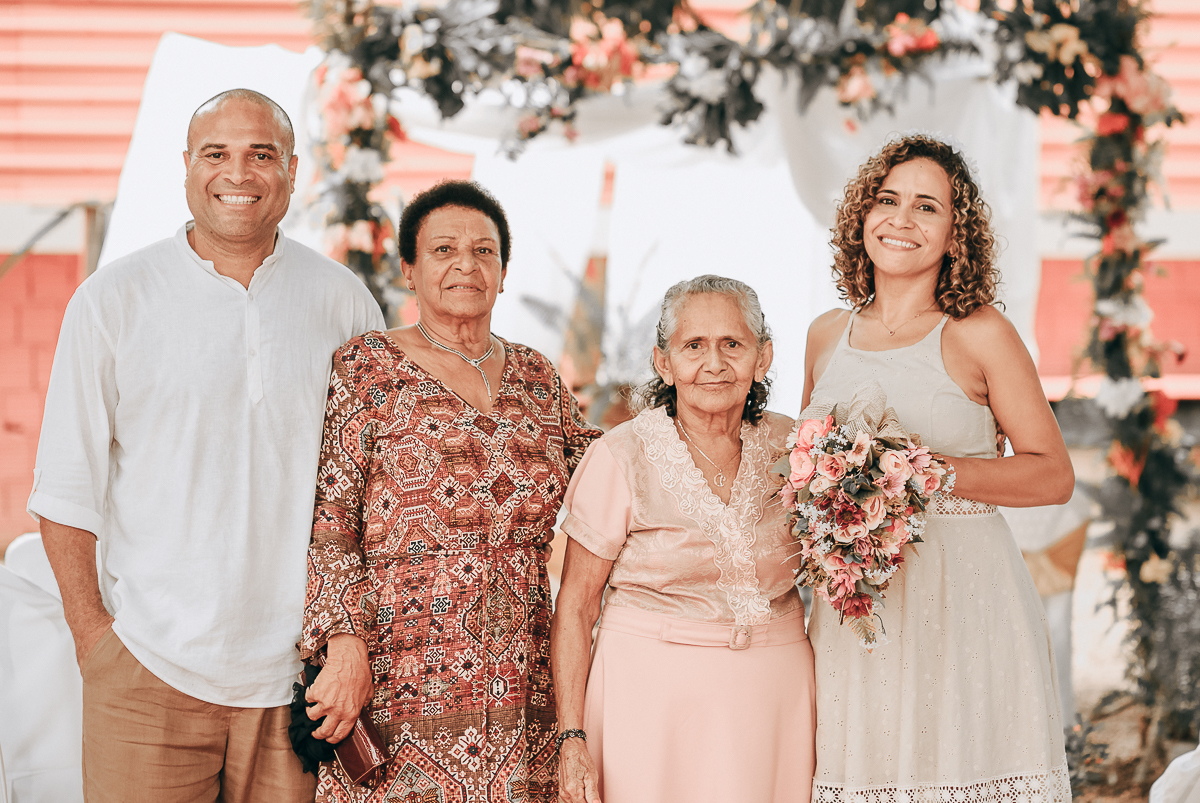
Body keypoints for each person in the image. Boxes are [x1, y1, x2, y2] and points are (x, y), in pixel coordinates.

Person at [28, 88, 384, 802]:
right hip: (148, 671)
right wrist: (96, 643)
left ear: (291, 169)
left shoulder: (343, 303)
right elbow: (67, 491)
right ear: (187, 166)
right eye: (217, 154)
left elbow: (377, 494)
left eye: (261, 154)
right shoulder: (113, 300)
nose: (239, 173)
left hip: (296, 684)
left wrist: (351, 641)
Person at [300, 180, 601, 803]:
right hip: (399, 675)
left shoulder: (537, 376)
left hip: (524, 678)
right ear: (408, 269)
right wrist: (343, 643)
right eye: (443, 250)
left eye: (484, 251)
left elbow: (608, 470)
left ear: (503, 271)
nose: (466, 264)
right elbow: (332, 522)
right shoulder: (368, 366)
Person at [801, 134, 1074, 802]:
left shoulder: (980, 332)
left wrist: (930, 471)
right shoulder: (825, 333)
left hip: (963, 595)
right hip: (857, 602)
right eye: (888, 200)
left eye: (927, 207)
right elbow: (806, 472)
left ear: (955, 234)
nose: (901, 219)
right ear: (861, 216)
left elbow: (1052, 474)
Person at [553, 275, 817, 803]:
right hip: (648, 702)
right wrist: (572, 736)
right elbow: (577, 605)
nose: (714, 364)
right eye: (693, 346)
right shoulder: (620, 455)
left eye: (732, 345)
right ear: (663, 362)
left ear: (762, 358)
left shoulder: (802, 450)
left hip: (774, 701)